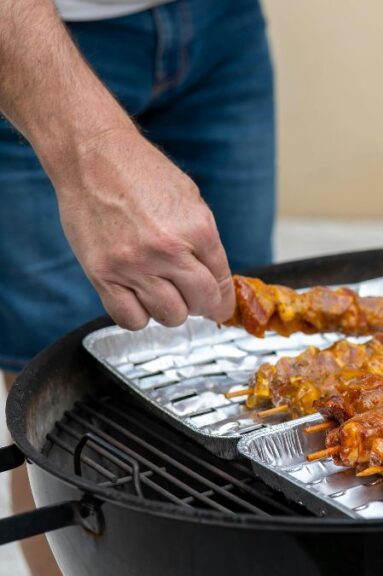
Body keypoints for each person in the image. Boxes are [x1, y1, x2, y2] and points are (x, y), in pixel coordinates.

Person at [0, 0, 276, 572]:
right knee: (55, 401)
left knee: (245, 349)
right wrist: (90, 151)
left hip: (224, 26)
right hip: (27, 41)